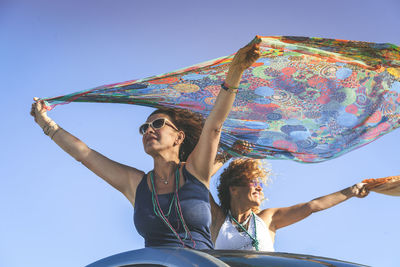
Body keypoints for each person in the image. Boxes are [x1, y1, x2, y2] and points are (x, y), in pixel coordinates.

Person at [30, 41, 261, 249]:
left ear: (178, 137)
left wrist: (236, 71)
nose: (149, 130)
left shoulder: (195, 171)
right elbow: (85, 155)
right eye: (144, 128)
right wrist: (46, 123)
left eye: (158, 124)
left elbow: (214, 126)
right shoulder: (136, 184)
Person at [210, 158, 369, 251]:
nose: (259, 187)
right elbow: (197, 179)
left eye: (260, 183)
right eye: (253, 182)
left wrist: (352, 191)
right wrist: (228, 154)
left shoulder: (267, 218)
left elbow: (311, 206)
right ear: (234, 189)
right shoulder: (218, 221)